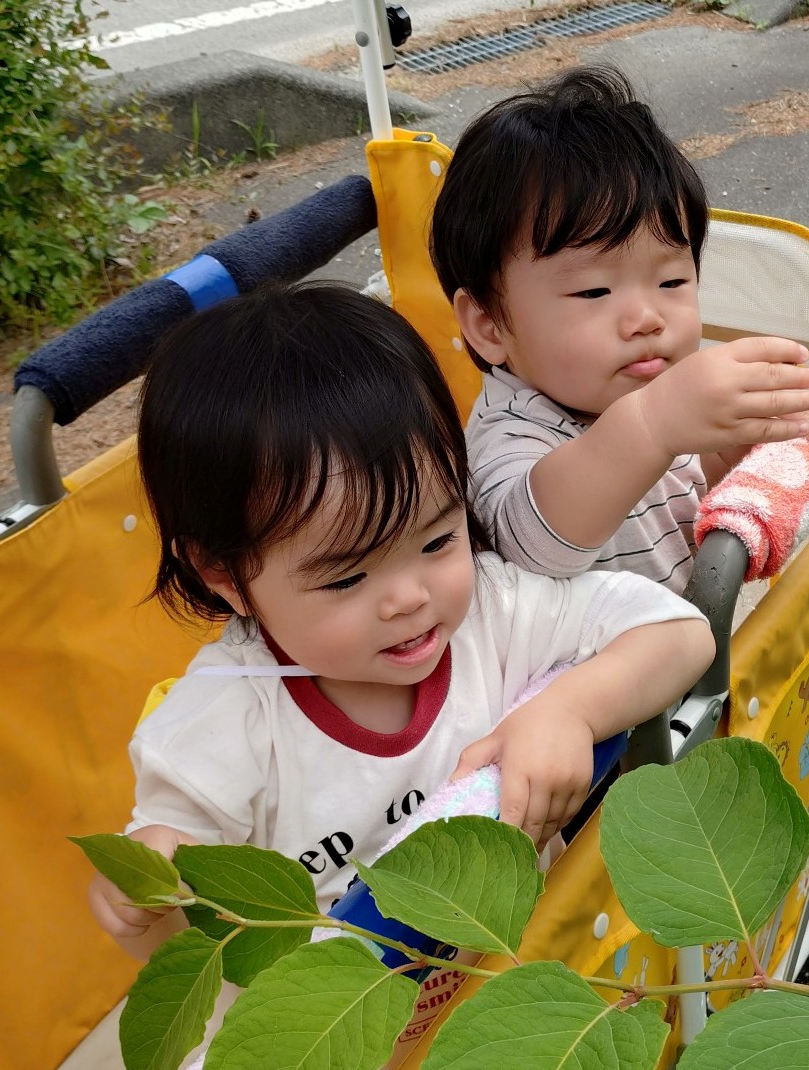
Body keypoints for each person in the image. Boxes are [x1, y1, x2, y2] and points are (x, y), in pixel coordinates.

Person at [86, 282, 713, 959]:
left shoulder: (493, 614)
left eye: (438, 540)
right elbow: (173, 905)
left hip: (520, 964)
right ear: (223, 574)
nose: (408, 597)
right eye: (347, 576)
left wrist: (568, 711)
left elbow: (681, 633)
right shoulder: (224, 724)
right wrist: (147, 887)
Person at [432, 65, 809, 594]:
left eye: (672, 280)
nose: (646, 318)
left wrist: (754, 427)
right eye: (594, 293)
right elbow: (533, 541)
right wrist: (654, 425)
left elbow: (688, 483)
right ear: (490, 325)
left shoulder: (645, 394)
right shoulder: (513, 434)